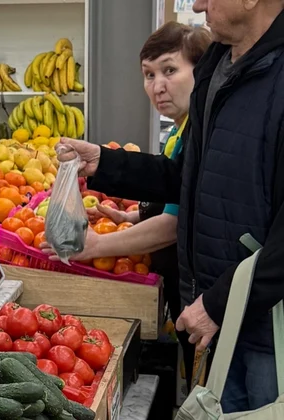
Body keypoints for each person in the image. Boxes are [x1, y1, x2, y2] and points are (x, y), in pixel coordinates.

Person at [55, 1, 284, 412]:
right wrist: (105, 163)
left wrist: (218, 304)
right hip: (219, 322)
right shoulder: (219, 66)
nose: (196, 4)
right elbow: (187, 180)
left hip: (268, 332)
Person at [55, 22, 210, 389]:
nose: (157, 86)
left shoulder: (198, 134)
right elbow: (174, 192)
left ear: (201, 71)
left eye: (170, 70)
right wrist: (132, 214)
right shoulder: (180, 130)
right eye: (148, 74)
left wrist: (96, 246)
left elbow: (175, 224)